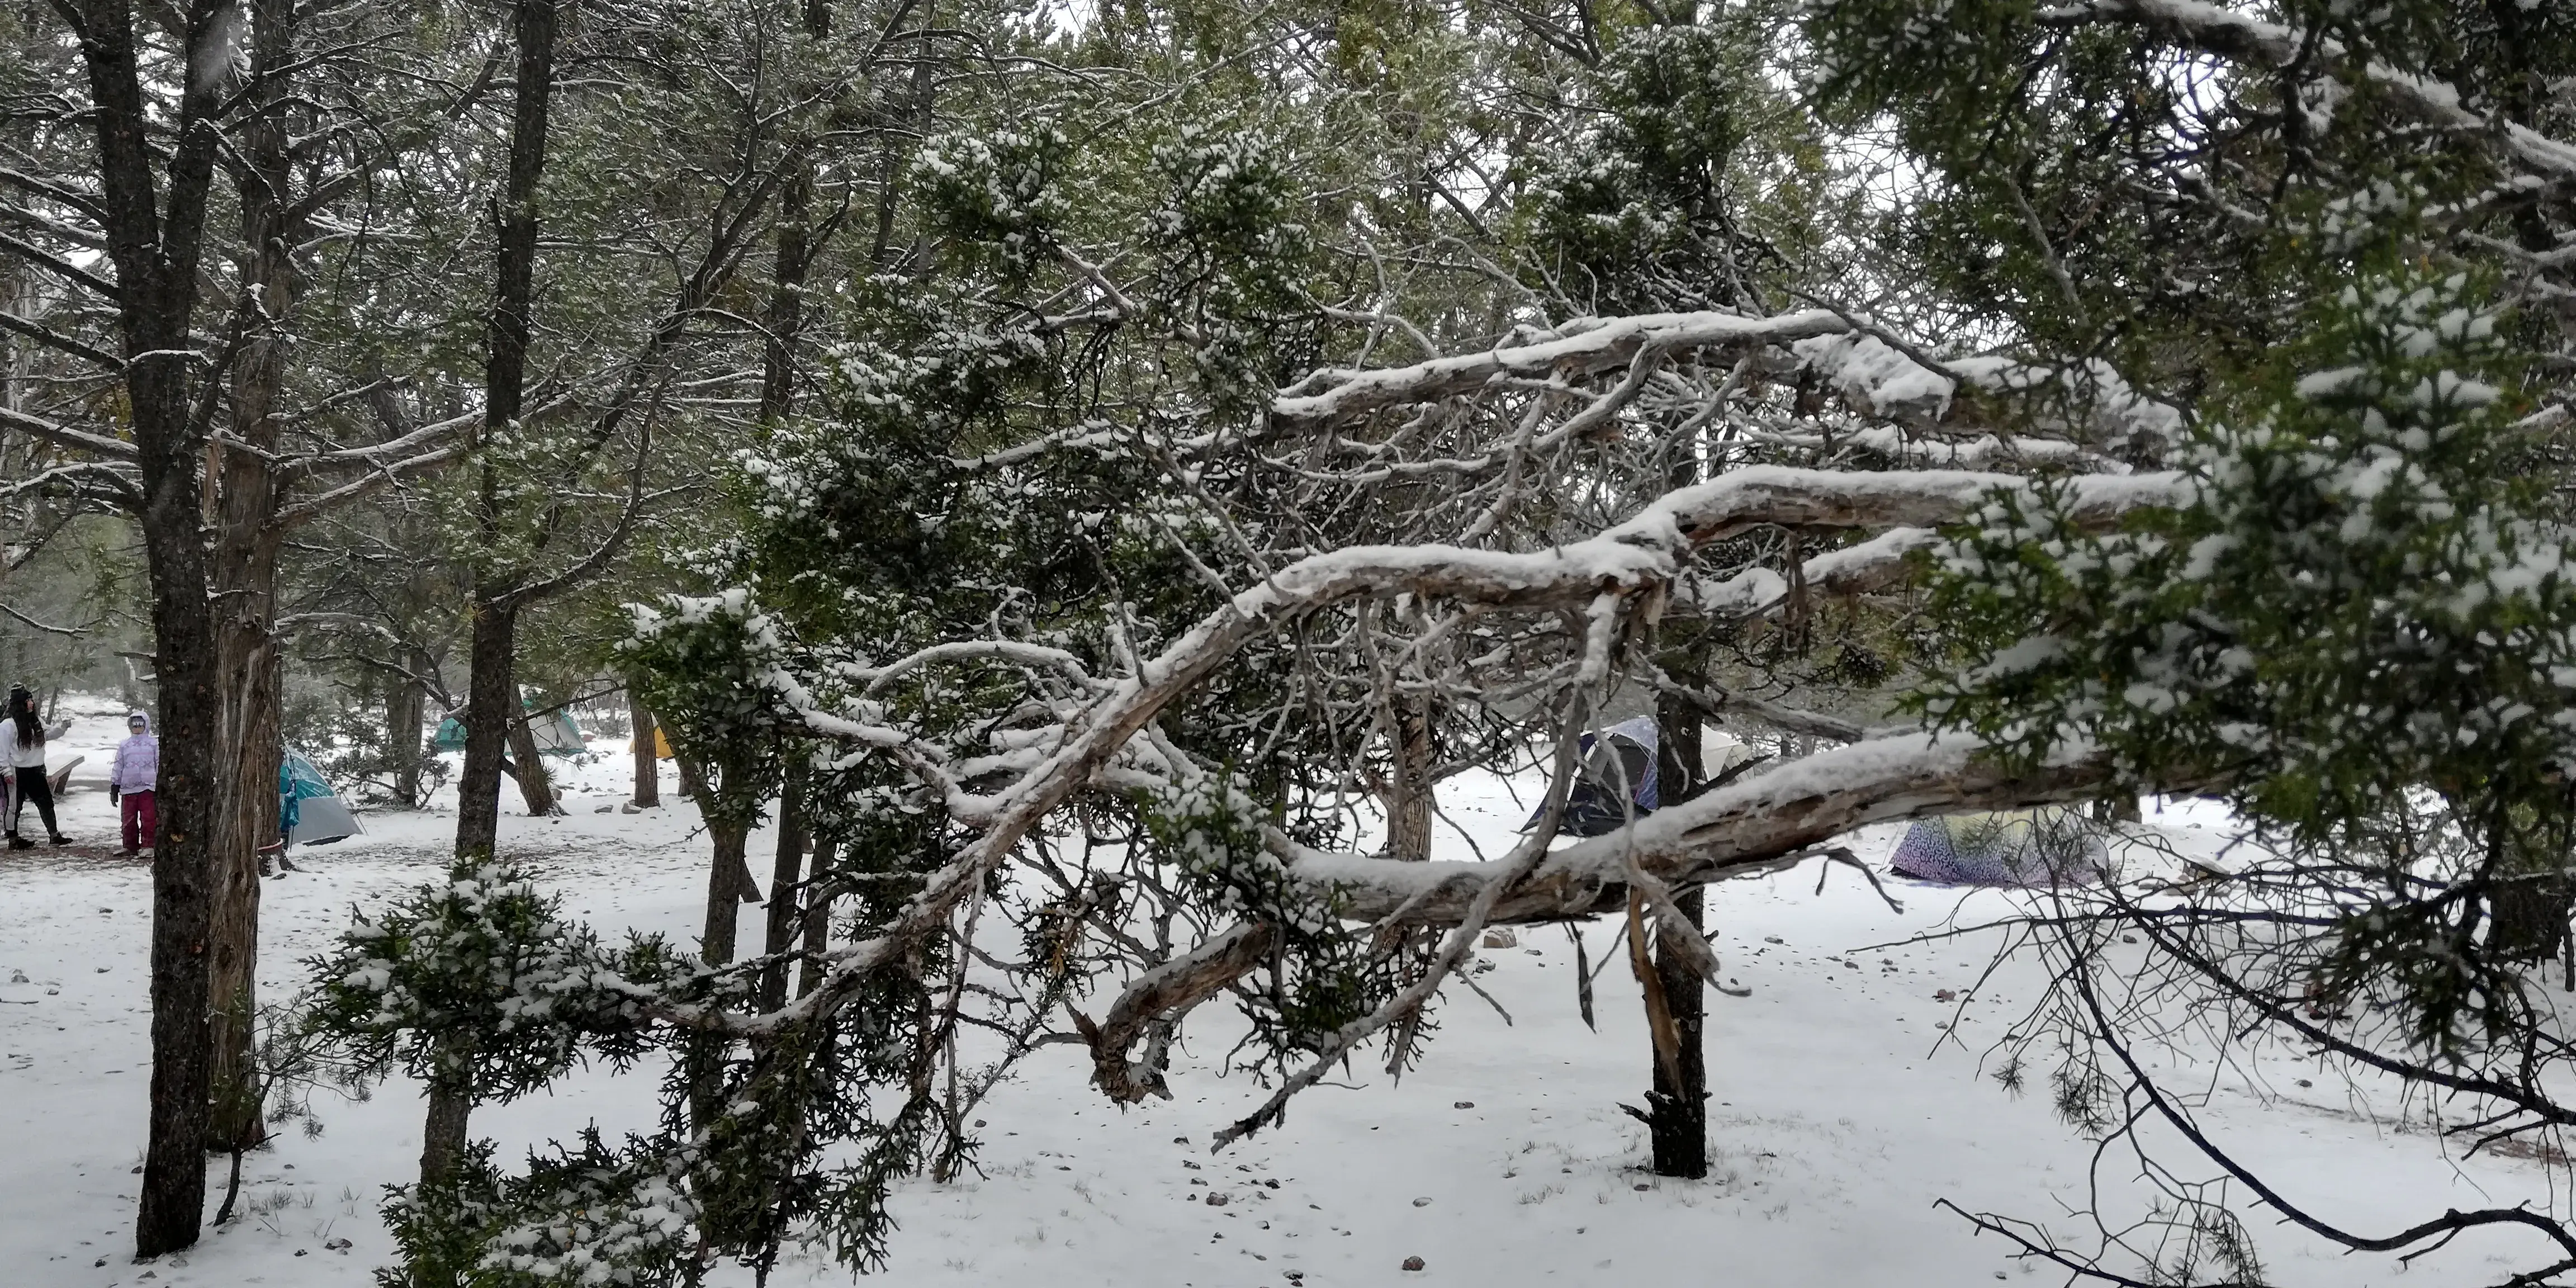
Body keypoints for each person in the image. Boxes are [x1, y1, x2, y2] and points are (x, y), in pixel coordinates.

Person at [2, 686, 70, 847]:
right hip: (17, 770)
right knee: (14, 806)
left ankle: (54, 835)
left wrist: (62, 727)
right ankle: (13, 839)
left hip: (37, 768)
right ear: (20, 704)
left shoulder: (36, 721)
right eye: (29, 701)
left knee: (46, 802)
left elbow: (49, 734)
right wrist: (5, 771)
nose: (32, 704)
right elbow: (1, 750)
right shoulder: (8, 725)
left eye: (31, 700)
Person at [109, 710, 158, 858]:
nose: (137, 728)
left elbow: (159, 763)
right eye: (134, 725)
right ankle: (130, 846)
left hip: (148, 787)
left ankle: (148, 845)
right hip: (128, 788)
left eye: (140, 725)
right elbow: (119, 765)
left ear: (146, 725)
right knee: (128, 819)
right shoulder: (125, 745)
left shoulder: (154, 744)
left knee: (149, 818)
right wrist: (115, 785)